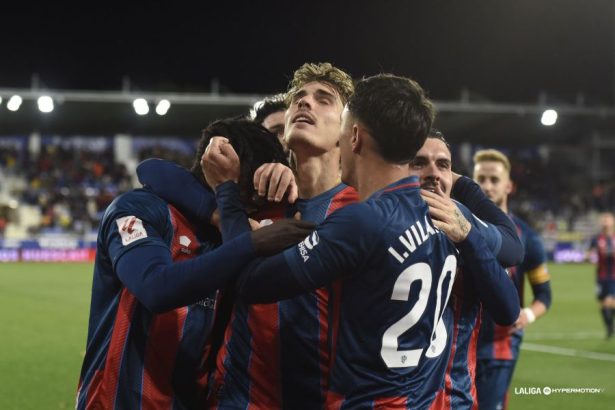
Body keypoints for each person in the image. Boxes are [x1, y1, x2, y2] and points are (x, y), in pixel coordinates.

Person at [208, 73, 517, 408]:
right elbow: (509, 304)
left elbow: (251, 284)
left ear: (353, 137)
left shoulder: (360, 220)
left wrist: (228, 197)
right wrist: (471, 234)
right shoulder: (450, 213)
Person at [137, 62, 358, 409]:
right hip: (237, 399)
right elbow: (153, 170)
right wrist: (225, 203)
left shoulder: (361, 210)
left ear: (350, 130)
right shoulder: (256, 198)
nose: (304, 103)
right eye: (298, 97)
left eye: (323, 99)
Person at [76, 118, 314, 410]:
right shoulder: (140, 208)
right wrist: (249, 244)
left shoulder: (230, 230)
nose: (256, 205)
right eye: (252, 193)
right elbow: (155, 287)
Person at [406, 131, 523, 410]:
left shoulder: (465, 223)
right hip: (395, 398)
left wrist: (468, 236)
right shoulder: (374, 221)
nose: (433, 173)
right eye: (419, 162)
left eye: (444, 164)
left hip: (455, 397)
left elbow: (508, 309)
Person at [473, 148, 552, 410]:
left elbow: (544, 295)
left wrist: (527, 315)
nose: (486, 186)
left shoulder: (527, 238)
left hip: (500, 347)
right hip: (459, 344)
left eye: (494, 180)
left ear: (509, 186)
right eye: (480, 179)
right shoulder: (457, 226)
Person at [587, 211, 615, 339]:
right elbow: (588, 253)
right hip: (601, 277)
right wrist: (588, 256)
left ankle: (610, 328)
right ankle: (609, 327)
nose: (605, 221)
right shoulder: (596, 239)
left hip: (614, 276)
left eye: (607, 219)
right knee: (603, 304)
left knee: (609, 301)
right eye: (603, 219)